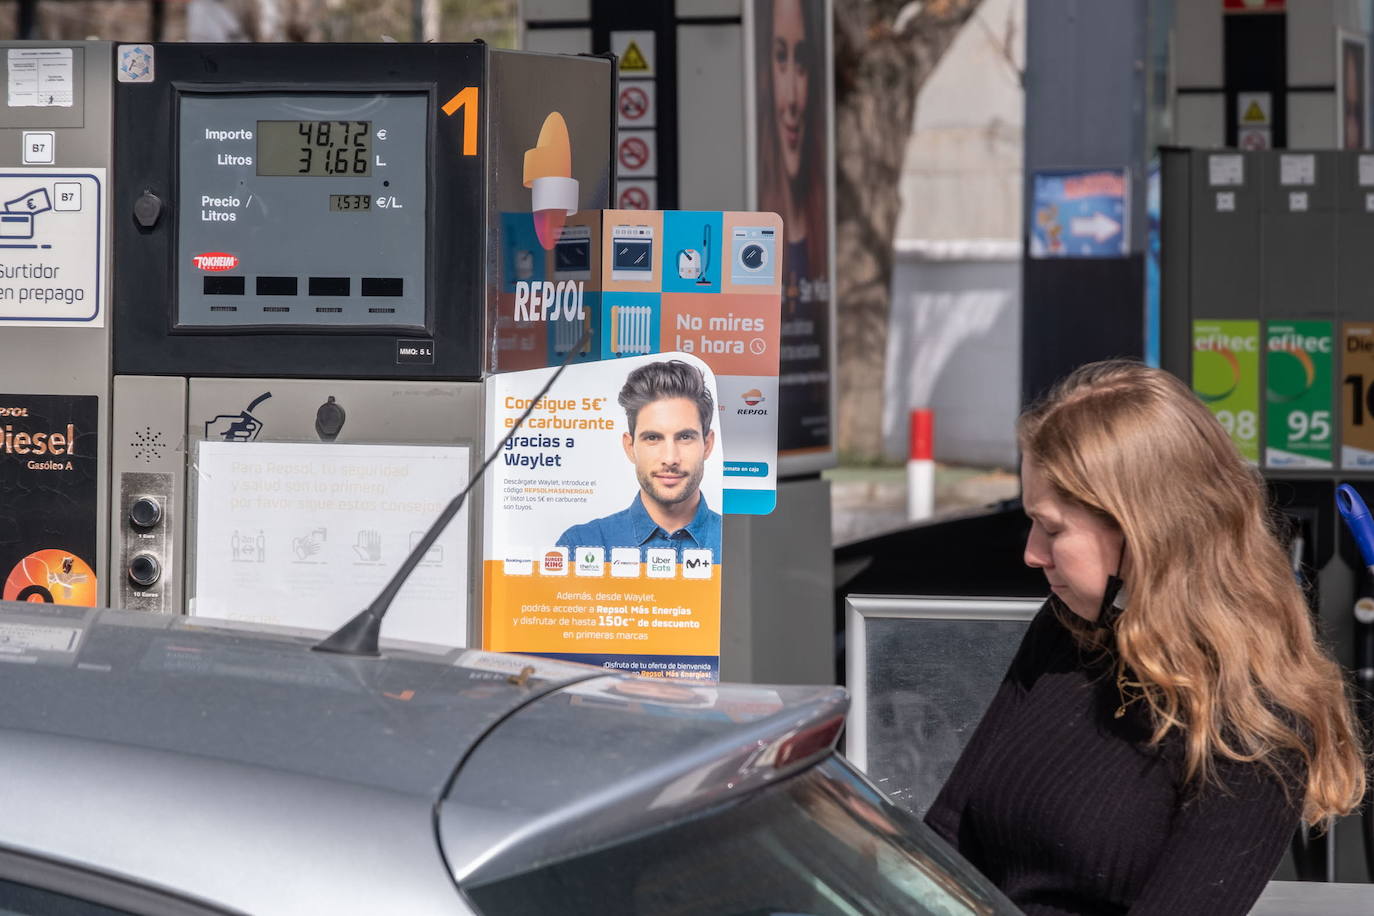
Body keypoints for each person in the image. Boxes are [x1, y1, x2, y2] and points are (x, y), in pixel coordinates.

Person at [925, 360, 1366, 916]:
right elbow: (947, 835)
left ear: (1142, 531)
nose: (1032, 554)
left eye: (1054, 529)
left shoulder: (1254, 723)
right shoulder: (1069, 627)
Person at [756, 0, 831, 453]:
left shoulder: (819, 238)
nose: (791, 98)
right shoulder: (754, 232)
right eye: (779, 57)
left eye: (801, 62)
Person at [557, 360, 721, 564]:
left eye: (685, 437)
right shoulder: (581, 544)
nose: (670, 459)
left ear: (707, 445)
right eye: (653, 438)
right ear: (629, 447)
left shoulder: (732, 543)